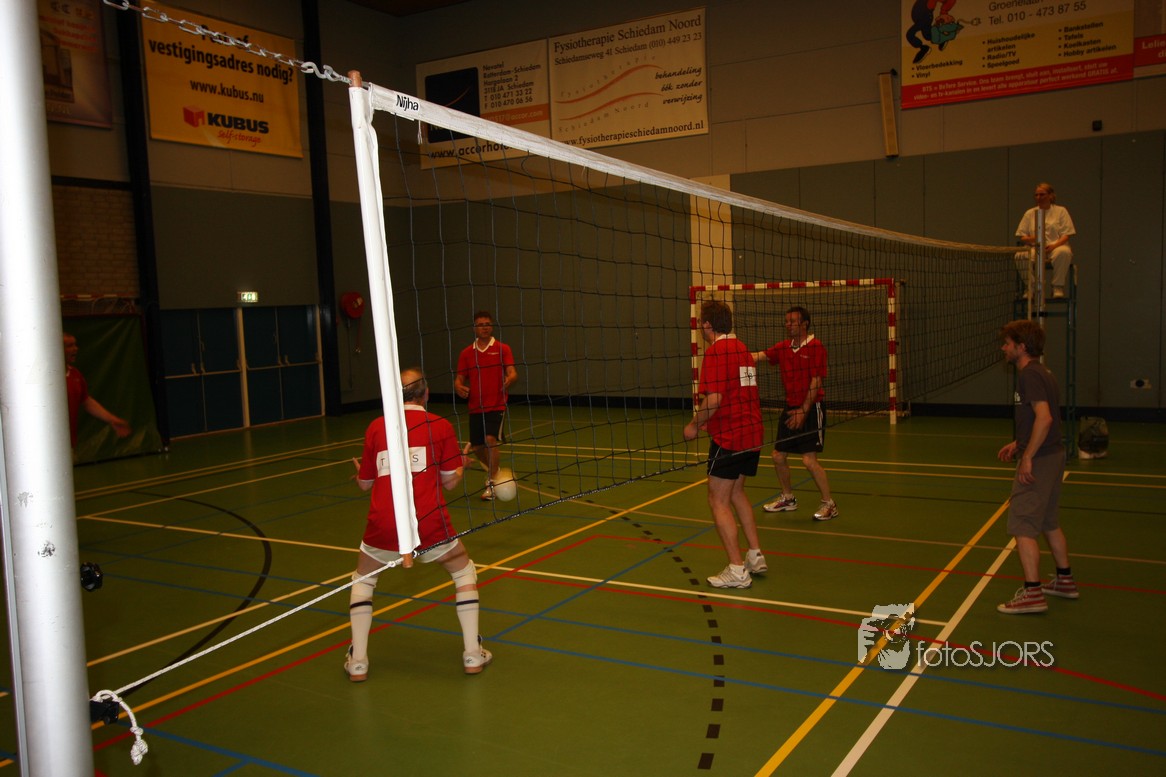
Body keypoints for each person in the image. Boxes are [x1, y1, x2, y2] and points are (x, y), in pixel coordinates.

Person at [346, 368, 492, 679]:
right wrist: (461, 464)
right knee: (463, 572)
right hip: (428, 523)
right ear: (425, 394)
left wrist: (360, 473)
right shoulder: (439, 425)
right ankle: (472, 654)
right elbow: (450, 482)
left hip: (384, 524)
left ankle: (358, 661)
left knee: (363, 581)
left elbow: (365, 483)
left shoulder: (377, 426)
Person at [995, 320, 1078, 614]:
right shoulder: (1044, 373)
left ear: (1021, 346)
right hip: (1053, 454)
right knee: (1049, 522)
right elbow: (1040, 419)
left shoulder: (1029, 375)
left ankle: (1032, 593)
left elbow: (1045, 418)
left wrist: (1027, 456)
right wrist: (1019, 443)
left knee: (1023, 525)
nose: (1003, 348)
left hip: (1041, 459)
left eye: (1007, 344)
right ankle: (1064, 580)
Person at [683, 300, 767, 589]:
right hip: (752, 432)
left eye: (700, 322)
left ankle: (737, 570)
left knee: (717, 499)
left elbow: (715, 398)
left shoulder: (717, 352)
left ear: (707, 325)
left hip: (731, 436)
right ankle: (755, 555)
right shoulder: (742, 348)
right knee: (737, 492)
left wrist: (694, 424)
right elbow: (738, 391)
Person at [751, 306, 837, 522]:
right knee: (778, 456)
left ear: (804, 323)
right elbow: (758, 356)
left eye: (792, 321)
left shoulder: (816, 346)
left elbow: (816, 382)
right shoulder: (783, 347)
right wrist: (731, 353)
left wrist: (803, 411)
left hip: (812, 408)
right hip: (790, 408)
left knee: (809, 461)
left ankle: (829, 504)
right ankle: (788, 498)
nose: (788, 324)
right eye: (786, 321)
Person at [455, 311, 518, 500]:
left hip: (497, 405)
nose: (484, 327)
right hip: (475, 406)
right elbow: (459, 378)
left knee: (490, 440)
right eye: (480, 324)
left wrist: (510, 378)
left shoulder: (502, 349)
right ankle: (496, 472)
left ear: (491, 327)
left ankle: (491, 483)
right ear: (474, 328)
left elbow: (512, 371)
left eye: (487, 324)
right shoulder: (466, 353)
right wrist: (458, 386)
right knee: (477, 447)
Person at [63, 332, 132, 448]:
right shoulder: (43, 378)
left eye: (75, 344)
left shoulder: (75, 374)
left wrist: (113, 420)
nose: (75, 348)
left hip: (68, 445)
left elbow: (86, 401)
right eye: (70, 346)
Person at [1015, 182, 1075, 299]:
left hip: (1055, 246)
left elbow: (1067, 234)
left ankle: (1057, 286)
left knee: (1064, 253)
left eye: (1042, 194)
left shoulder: (1061, 211)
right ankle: (1032, 286)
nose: (1039, 197)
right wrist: (1034, 238)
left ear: (1050, 196)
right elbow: (1022, 236)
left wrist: (1054, 246)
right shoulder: (1030, 213)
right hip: (1035, 247)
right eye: (1036, 195)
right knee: (1020, 256)